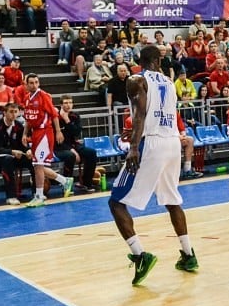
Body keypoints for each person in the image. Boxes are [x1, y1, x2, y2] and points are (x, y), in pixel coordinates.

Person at [109, 44, 198, 286]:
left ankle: (140, 255)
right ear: (158, 61)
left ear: (140, 60)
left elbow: (140, 114)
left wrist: (135, 147)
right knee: (172, 200)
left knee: (116, 203)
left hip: (153, 144)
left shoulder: (136, 79)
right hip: (172, 143)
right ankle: (189, 255)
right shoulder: (170, 83)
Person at [19, 74, 74, 207]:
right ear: (26, 84)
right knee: (38, 165)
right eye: (31, 83)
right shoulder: (26, 98)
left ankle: (39, 195)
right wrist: (25, 134)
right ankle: (64, 180)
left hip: (45, 132)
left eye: (36, 82)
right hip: (35, 132)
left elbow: (54, 115)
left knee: (38, 164)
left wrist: (58, 131)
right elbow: (28, 120)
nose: (34, 85)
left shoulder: (43, 96)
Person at [0, 103, 32, 205]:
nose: (14, 115)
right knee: (8, 160)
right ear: (4, 113)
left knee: (32, 159)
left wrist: (27, 150)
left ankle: (37, 192)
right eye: (11, 112)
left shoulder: (19, 126)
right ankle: (11, 196)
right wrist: (11, 152)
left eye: (16, 112)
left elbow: (21, 145)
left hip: (13, 155)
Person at [56, 96, 99, 193]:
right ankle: (66, 185)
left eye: (70, 102)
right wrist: (71, 149)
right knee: (70, 156)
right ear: (61, 105)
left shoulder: (75, 116)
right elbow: (57, 139)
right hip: (59, 146)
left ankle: (86, 183)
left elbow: (76, 133)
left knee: (91, 153)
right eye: (66, 103)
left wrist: (67, 120)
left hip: (73, 143)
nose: (68, 105)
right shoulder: (56, 117)